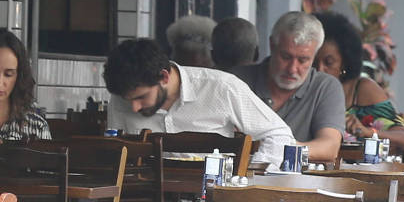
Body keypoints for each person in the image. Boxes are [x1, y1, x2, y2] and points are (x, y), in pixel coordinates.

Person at [104, 36, 294, 167]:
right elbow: (115, 155)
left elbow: (279, 135)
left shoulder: (222, 88)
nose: (134, 108)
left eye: (141, 97)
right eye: (128, 100)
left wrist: (247, 175)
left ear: (163, 77)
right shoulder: (122, 99)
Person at [236, 12, 345, 163]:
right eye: (286, 57)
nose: (292, 69)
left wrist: (282, 149)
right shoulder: (237, 82)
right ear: (272, 46)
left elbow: (329, 146)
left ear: (315, 55)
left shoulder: (326, 87)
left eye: (303, 60)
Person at [323, 11, 404, 155]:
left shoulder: (362, 90)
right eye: (313, 62)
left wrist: (368, 132)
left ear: (344, 63)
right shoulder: (302, 89)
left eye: (329, 63)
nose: (320, 69)